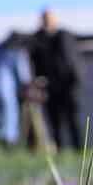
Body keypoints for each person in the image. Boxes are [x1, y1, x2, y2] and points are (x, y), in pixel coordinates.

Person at [27, 9, 82, 149]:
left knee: (73, 120)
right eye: (44, 18)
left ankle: (79, 149)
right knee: (54, 122)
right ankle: (60, 149)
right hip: (50, 86)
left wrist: (75, 79)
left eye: (49, 18)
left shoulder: (65, 36)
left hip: (68, 85)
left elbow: (72, 60)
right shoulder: (38, 40)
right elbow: (34, 62)